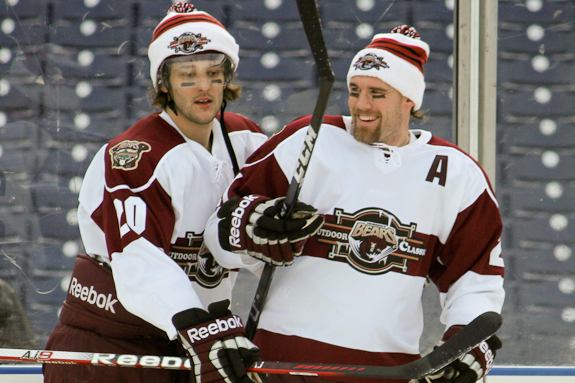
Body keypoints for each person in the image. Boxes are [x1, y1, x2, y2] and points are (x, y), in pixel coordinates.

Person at [203, 25, 505, 383]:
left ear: (409, 100)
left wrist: (467, 345)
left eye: (377, 93)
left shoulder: (457, 174)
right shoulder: (310, 138)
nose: (362, 104)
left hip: (387, 372)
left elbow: (475, 281)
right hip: (280, 365)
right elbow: (217, 237)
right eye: (355, 91)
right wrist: (248, 228)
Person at [44, 3, 268, 383]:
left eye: (214, 73)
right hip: (110, 347)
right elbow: (139, 258)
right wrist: (198, 328)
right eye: (187, 75)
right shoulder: (136, 155)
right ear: (163, 83)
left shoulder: (245, 138)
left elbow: (246, 242)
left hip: (188, 342)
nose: (203, 86)